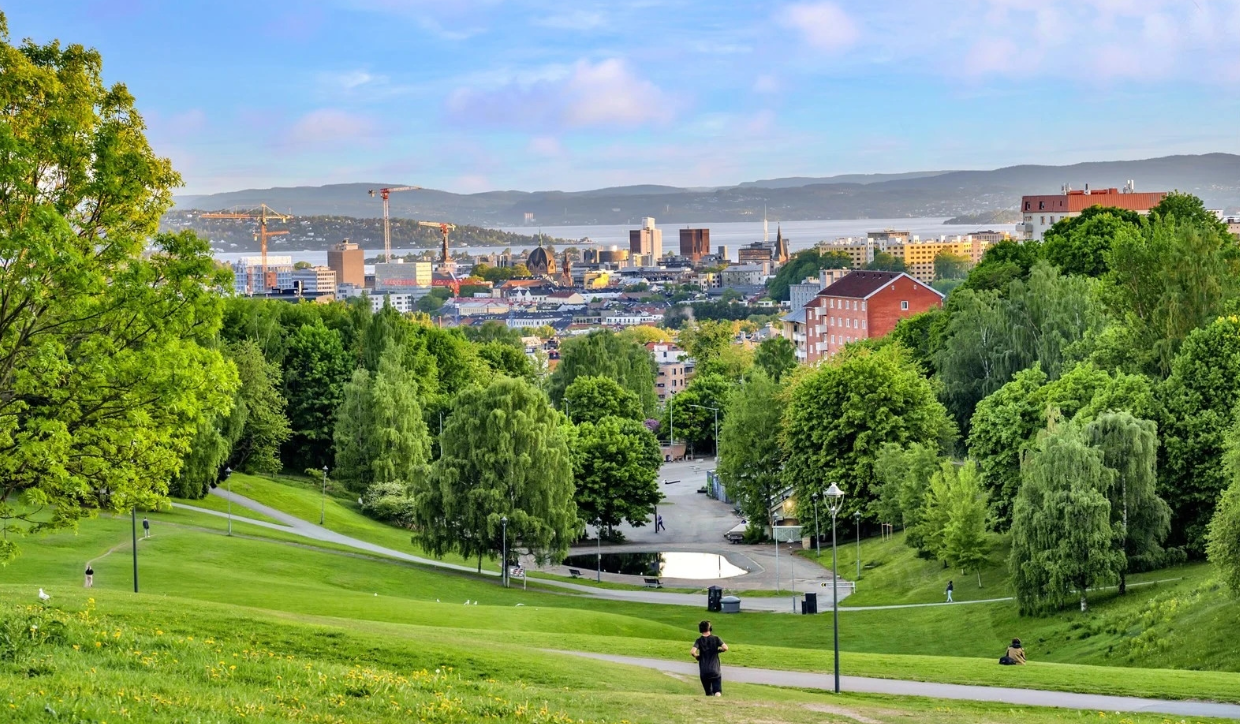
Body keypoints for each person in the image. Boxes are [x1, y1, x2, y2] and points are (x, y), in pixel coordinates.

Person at [691, 620, 728, 697]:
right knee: (717, 691)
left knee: (708, 693)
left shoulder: (699, 640)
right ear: (710, 628)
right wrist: (718, 651)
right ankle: (717, 699)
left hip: (704, 671)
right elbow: (725, 648)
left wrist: (696, 656)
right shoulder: (716, 638)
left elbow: (692, 651)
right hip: (715, 670)